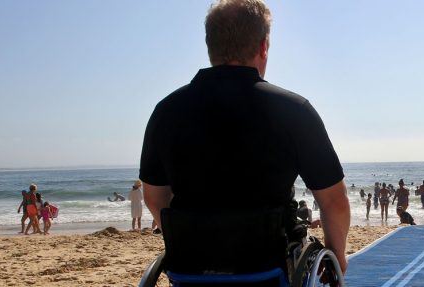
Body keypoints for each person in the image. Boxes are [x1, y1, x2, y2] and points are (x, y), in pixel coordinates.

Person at [139, 0, 350, 274]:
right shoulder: (294, 111)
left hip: (192, 265)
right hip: (270, 264)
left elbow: (155, 198)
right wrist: (337, 256)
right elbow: (334, 201)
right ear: (263, 47)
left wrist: (196, 239)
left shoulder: (166, 112)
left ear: (210, 47)